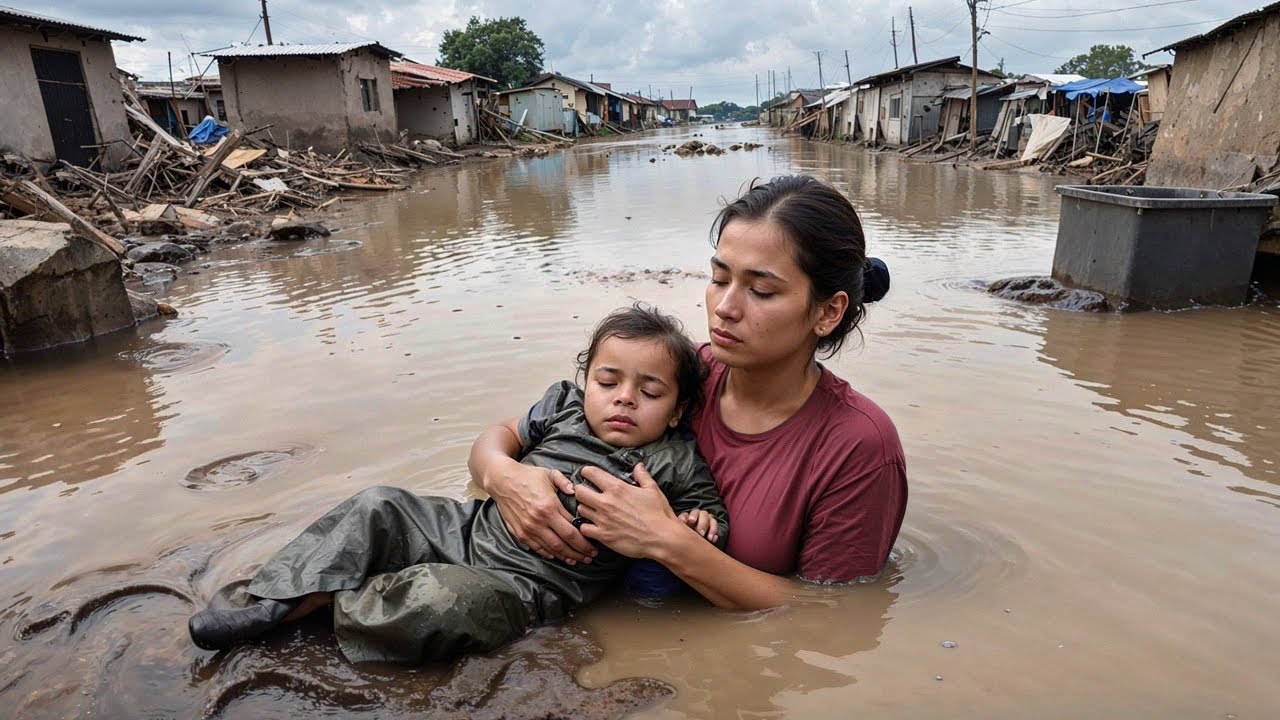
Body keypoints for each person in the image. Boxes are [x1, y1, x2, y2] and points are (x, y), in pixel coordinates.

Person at [188, 305, 727, 663]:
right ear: (588, 380)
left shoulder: (673, 461)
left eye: (649, 392)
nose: (624, 398)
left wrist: (698, 524)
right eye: (609, 382)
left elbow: (709, 521)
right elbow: (496, 442)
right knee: (380, 504)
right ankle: (271, 598)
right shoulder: (562, 407)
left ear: (678, 409)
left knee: (442, 601)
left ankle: (327, 601)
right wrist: (504, 471)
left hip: (530, 588)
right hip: (468, 527)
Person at [471, 175, 907, 611]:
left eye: (760, 290)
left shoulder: (858, 446)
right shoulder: (675, 376)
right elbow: (502, 437)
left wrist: (666, 541)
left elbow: (838, 614)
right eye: (719, 279)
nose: (724, 308)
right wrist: (505, 478)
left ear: (829, 311)